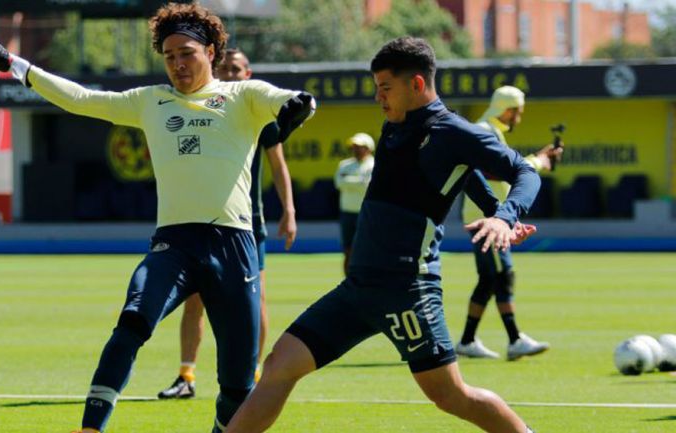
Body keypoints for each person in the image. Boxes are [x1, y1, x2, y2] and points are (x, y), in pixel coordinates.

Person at [0, 4, 315, 433]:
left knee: (237, 386)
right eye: (169, 56)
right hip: (173, 246)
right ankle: (90, 428)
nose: (178, 64)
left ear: (211, 50)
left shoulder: (244, 96)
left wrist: (299, 106)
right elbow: (81, 98)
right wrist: (15, 64)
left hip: (233, 246)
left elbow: (293, 100)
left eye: (187, 53)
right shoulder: (151, 101)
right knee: (131, 323)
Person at [223, 37, 540, 433]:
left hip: (407, 289)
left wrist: (505, 216)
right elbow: (463, 171)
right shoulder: (397, 124)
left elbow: (526, 172)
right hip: (358, 289)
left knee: (451, 395)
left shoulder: (455, 130)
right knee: (278, 366)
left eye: (384, 88)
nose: (378, 97)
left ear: (418, 85)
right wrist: (492, 207)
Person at [158, 48, 297, 399]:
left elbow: (278, 165)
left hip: (247, 225)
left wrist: (289, 211)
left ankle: (250, 374)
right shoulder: (200, 107)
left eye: (236, 68)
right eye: (225, 68)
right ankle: (186, 376)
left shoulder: (257, 111)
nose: (230, 73)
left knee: (255, 301)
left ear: (248, 73)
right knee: (194, 301)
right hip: (200, 223)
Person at [456, 85, 562, 361]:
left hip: (488, 217)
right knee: (501, 275)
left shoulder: (490, 130)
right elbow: (491, 171)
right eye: (519, 111)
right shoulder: (485, 130)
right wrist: (536, 162)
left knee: (493, 277)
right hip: (488, 219)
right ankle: (512, 339)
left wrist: (537, 162)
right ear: (509, 110)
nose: (520, 118)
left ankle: (470, 340)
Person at [334, 132, 375, 274]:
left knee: (366, 249)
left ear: (368, 148)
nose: (356, 150)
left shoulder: (374, 165)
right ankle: (348, 281)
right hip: (347, 213)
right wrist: (358, 181)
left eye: (359, 147)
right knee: (348, 250)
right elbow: (339, 183)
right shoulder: (344, 164)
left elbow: (367, 186)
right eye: (354, 147)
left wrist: (349, 180)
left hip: (366, 213)